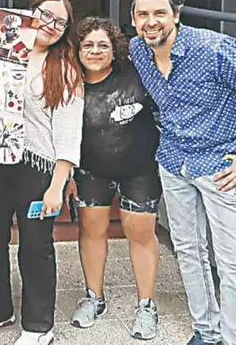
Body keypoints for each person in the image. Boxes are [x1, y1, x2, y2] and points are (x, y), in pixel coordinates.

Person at [128, 0, 236, 345]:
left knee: (233, 263)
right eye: (142, 14)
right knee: (189, 252)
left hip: (222, 167)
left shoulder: (215, 49)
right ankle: (207, 332)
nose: (151, 22)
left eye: (160, 13)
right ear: (133, 19)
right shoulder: (138, 50)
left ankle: (235, 339)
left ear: (176, 15)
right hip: (174, 161)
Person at [0, 0, 85, 345]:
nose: (50, 25)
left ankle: (38, 324)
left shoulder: (64, 69)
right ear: (29, 13)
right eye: (45, 14)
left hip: (37, 166)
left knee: (35, 245)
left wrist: (57, 186)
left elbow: (68, 133)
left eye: (59, 22)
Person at [62, 17, 162, 340]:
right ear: (77, 49)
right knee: (91, 230)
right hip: (90, 169)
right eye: (88, 45)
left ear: (114, 48)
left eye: (102, 45)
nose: (95, 51)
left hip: (139, 168)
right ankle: (94, 297)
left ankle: (146, 305)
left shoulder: (135, 73)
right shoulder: (68, 83)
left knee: (140, 232)